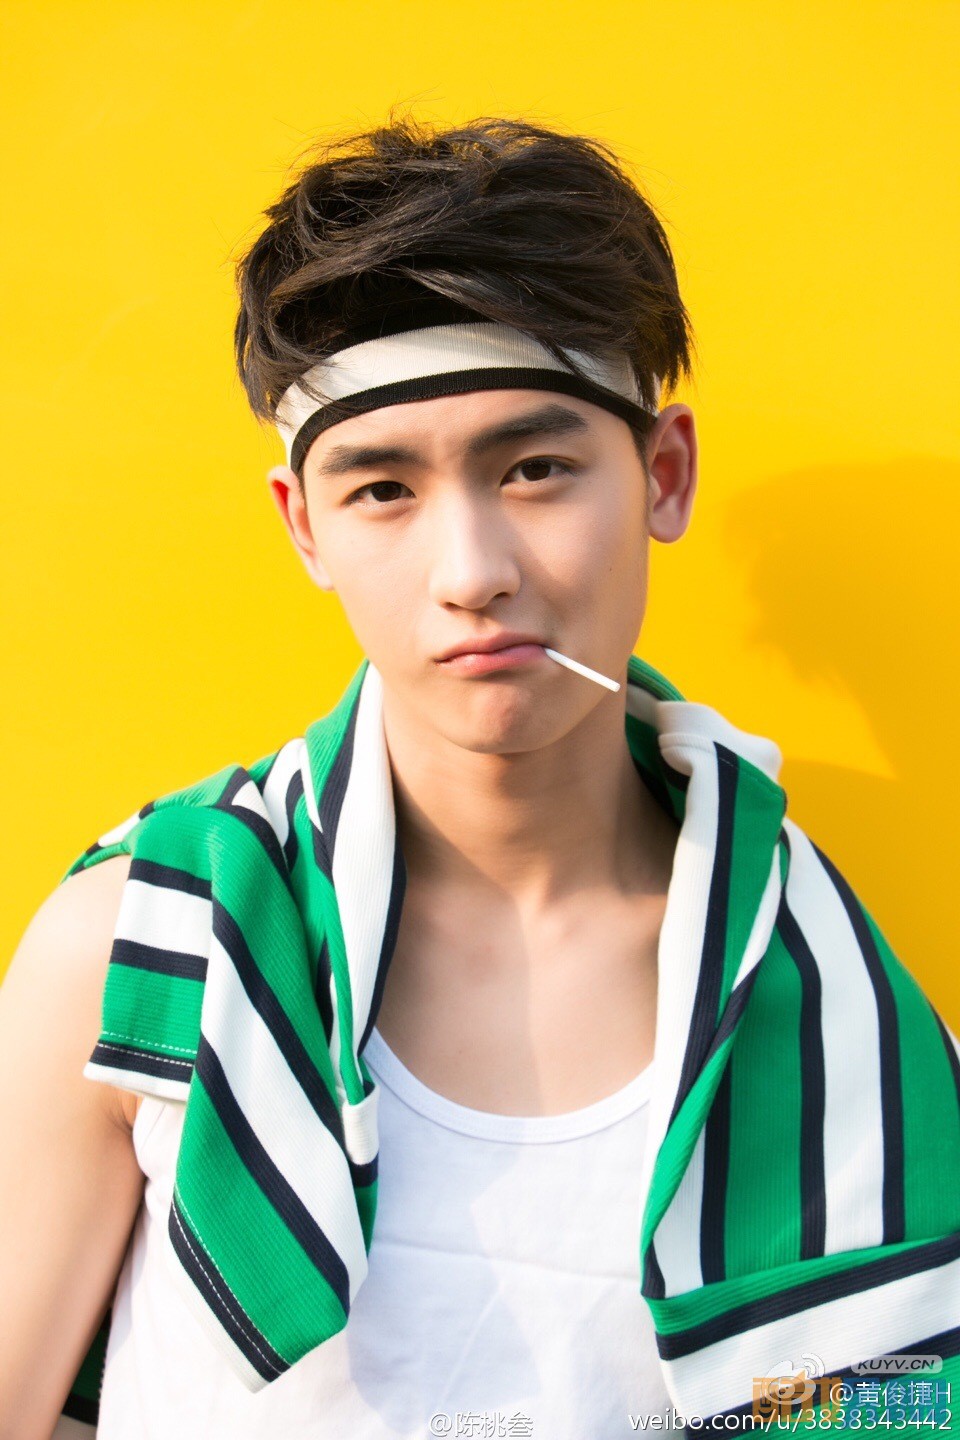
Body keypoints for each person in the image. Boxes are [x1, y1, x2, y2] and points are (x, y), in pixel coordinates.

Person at [2, 113, 958, 1440]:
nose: (472, 573)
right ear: (304, 527)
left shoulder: (842, 1027)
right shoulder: (141, 950)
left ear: (663, 474)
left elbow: (890, 1410)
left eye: (537, 468)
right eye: (382, 491)